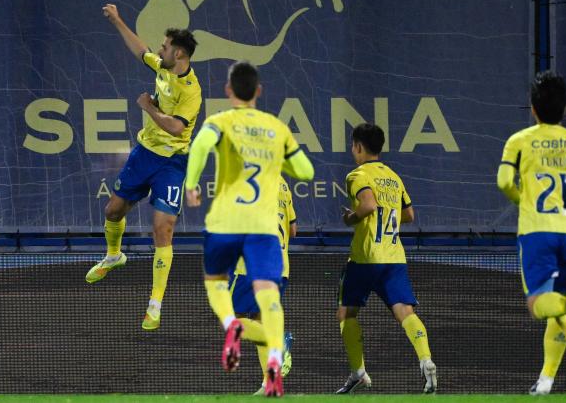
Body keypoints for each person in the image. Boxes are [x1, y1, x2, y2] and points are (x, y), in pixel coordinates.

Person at [184, 61, 314, 397]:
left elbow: (198, 147)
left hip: (225, 222)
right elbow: (305, 171)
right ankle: (274, 357)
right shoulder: (276, 128)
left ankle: (231, 326)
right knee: (268, 297)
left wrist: (192, 184)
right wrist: (280, 159)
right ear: (259, 91)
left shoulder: (221, 121)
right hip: (262, 228)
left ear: (228, 91)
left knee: (216, 282)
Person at [85, 4, 202, 331]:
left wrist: (148, 106)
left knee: (162, 230)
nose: (159, 50)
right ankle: (113, 255)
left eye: (165, 47)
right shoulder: (164, 68)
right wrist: (118, 20)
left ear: (178, 53)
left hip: (173, 164)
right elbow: (141, 50)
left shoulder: (192, 93)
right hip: (144, 156)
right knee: (112, 211)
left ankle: (154, 304)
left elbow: (177, 128)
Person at [497, 70, 566, 395]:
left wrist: (524, 202)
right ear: (565, 109)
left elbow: (504, 182)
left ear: (532, 107)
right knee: (558, 303)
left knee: (539, 305)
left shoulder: (518, 141)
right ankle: (545, 382)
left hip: (537, 232)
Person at [337, 123, 437, 394]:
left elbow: (368, 205)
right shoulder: (393, 177)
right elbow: (409, 215)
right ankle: (426, 360)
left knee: (347, 313)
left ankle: (358, 372)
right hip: (394, 257)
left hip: (365, 257)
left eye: (352, 146)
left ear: (358, 146)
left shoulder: (357, 174)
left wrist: (350, 217)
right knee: (405, 312)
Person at [229, 175, 296, 395]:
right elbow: (292, 229)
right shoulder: (282, 183)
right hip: (280, 266)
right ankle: (270, 382)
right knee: (258, 319)